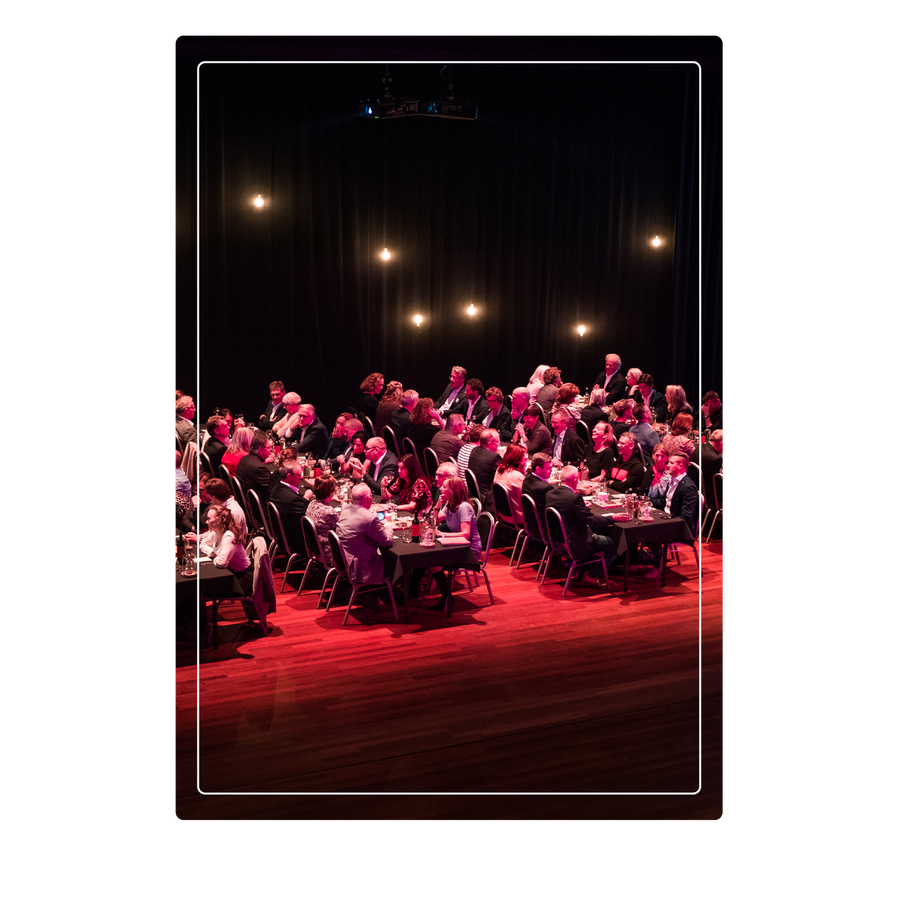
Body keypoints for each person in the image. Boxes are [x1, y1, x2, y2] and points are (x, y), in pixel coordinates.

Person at [545, 466, 629, 583]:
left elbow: (566, 508)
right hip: (575, 542)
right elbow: (593, 521)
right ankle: (592, 574)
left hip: (556, 540)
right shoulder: (574, 498)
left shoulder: (550, 494)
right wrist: (613, 517)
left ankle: (581, 569)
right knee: (619, 542)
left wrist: (582, 507)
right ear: (575, 481)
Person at [189, 504, 258, 621]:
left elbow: (221, 563)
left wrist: (215, 556)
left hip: (241, 578)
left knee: (200, 588)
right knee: (198, 586)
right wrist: (213, 553)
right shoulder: (216, 532)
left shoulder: (228, 536)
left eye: (209, 519)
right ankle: (197, 621)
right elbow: (202, 544)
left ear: (219, 520)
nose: (206, 522)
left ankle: (198, 624)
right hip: (231, 573)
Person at [429, 476, 481, 611]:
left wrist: (443, 534)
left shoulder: (464, 507)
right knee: (428, 557)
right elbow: (434, 522)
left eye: (444, 487)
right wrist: (437, 505)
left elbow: (465, 534)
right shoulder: (449, 505)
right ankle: (445, 596)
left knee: (432, 561)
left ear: (453, 490)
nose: (440, 488)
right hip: (456, 545)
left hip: (469, 550)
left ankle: (446, 597)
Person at [645, 451, 699, 578]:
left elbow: (686, 515)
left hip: (680, 528)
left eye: (671, 463)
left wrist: (667, 524)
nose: (667, 465)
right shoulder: (672, 481)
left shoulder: (688, 487)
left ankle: (658, 566)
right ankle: (639, 560)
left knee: (649, 532)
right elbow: (665, 502)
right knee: (641, 525)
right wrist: (647, 501)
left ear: (680, 466)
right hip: (667, 519)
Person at [335, 483, 394, 588]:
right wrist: (388, 525)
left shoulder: (345, 509)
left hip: (343, 563)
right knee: (398, 562)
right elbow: (387, 542)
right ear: (368, 498)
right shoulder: (370, 519)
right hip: (361, 568)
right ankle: (394, 593)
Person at [268, 460, 311, 554]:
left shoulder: (276, 488)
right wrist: (306, 499)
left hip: (283, 537)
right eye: (298, 475)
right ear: (289, 476)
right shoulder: (293, 500)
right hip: (297, 543)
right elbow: (309, 519)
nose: (301, 477)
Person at [305, 475, 341, 566]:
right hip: (329, 555)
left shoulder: (311, 503)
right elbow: (342, 531)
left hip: (315, 551)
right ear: (330, 492)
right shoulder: (329, 512)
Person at [467, 428, 502, 507]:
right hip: (488, 498)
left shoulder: (474, 450)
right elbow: (502, 477)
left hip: (474, 493)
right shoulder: (494, 457)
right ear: (490, 443)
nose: (498, 444)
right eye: (497, 441)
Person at [236, 430, 274, 502]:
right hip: (256, 504)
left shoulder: (244, 459)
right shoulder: (260, 468)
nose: (271, 449)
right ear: (261, 450)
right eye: (268, 447)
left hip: (244, 499)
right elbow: (271, 490)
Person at [493, 442, 526, 525]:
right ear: (517, 458)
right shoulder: (517, 476)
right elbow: (525, 499)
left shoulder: (499, 469)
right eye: (524, 456)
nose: (526, 458)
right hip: (516, 518)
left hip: (502, 514)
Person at [522, 452, 554, 520]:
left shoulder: (526, 480)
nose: (551, 470)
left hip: (529, 521)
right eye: (548, 468)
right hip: (543, 524)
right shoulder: (546, 488)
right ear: (538, 469)